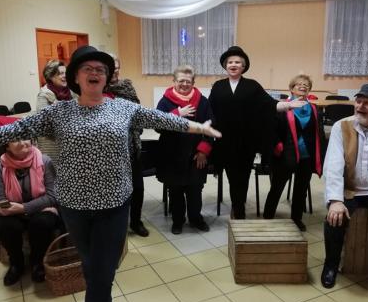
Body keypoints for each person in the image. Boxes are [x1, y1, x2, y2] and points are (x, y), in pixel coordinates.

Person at [0, 45, 221, 302]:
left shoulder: (123, 108)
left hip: (114, 204)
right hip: (74, 205)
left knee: (102, 269)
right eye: (88, 68)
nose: (95, 72)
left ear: (107, 77)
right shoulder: (59, 113)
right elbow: (14, 130)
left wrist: (200, 129)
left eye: (101, 69)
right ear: (76, 77)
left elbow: (163, 118)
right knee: (92, 266)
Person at [209, 45, 304, 219]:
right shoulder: (218, 86)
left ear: (243, 66)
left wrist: (288, 105)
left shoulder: (252, 86)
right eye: (230, 62)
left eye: (237, 62)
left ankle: (239, 208)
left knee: (244, 176)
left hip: (247, 142)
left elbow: (269, 104)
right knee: (232, 177)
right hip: (225, 141)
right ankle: (237, 207)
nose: (233, 65)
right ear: (225, 65)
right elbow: (210, 110)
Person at [321, 83, 368, 288]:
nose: (360, 106)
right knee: (334, 220)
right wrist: (335, 200)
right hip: (349, 190)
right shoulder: (341, 126)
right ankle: (331, 265)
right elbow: (333, 165)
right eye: (358, 101)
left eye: (367, 103)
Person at [0, 140, 59, 286]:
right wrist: (3, 207)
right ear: (7, 146)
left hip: (41, 209)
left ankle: (37, 262)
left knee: (42, 223)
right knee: (5, 226)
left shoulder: (44, 161)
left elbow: (52, 196)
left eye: (25, 137)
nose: (22, 142)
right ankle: (16, 264)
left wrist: (24, 208)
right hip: (12, 213)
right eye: (15, 140)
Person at [263, 74, 325, 231]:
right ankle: (268, 216)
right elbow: (271, 129)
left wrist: (321, 155)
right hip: (285, 156)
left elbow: (319, 133)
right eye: (299, 84)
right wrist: (277, 146)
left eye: (306, 85)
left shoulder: (314, 109)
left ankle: (296, 219)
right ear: (291, 88)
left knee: (301, 190)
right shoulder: (283, 107)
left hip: (306, 156)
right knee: (277, 188)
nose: (303, 86)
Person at [156, 65, 212, 234]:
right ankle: (178, 221)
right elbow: (157, 126)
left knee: (195, 190)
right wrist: (177, 114)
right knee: (175, 190)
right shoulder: (165, 102)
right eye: (181, 81)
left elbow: (210, 127)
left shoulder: (203, 101)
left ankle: (195, 218)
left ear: (193, 82)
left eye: (188, 81)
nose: (185, 84)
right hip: (172, 155)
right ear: (174, 81)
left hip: (196, 155)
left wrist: (203, 151)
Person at [105, 56, 149, 237]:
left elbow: (138, 112)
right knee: (115, 191)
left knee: (138, 188)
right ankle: (117, 225)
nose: (115, 71)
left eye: (117, 67)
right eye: (112, 67)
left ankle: (136, 222)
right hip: (109, 151)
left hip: (132, 145)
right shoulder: (98, 90)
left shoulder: (127, 87)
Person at [36, 60, 74, 167]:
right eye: (61, 73)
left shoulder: (71, 92)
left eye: (65, 73)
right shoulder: (44, 95)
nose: (65, 76)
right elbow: (43, 123)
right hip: (51, 145)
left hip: (69, 145)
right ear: (51, 76)